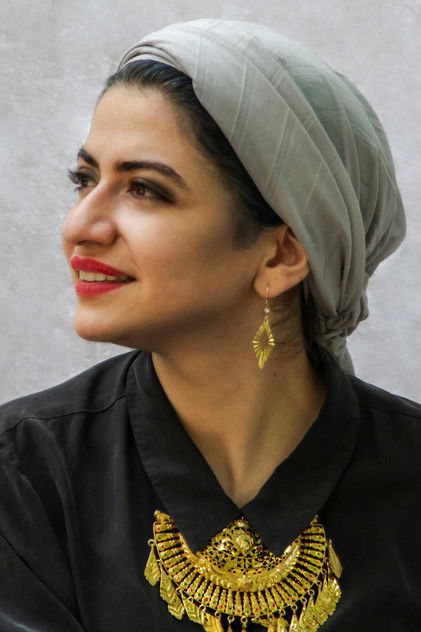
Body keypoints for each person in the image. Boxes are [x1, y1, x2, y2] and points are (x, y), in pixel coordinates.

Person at [0, 18, 420, 632]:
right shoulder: (25, 472)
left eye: (144, 189)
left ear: (281, 255)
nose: (79, 227)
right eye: (85, 180)